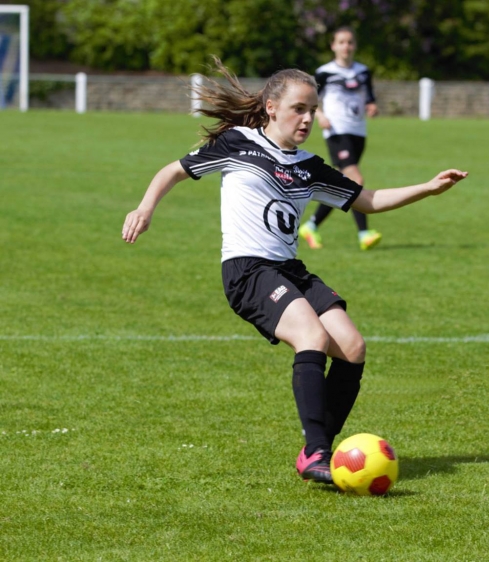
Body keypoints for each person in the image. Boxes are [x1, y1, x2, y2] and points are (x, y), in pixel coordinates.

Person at [121, 58, 467, 484]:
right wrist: (145, 208)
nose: (307, 119)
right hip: (248, 270)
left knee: (352, 347)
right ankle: (318, 450)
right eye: (298, 109)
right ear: (271, 108)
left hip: (291, 270)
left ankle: (315, 450)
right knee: (312, 337)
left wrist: (428, 188)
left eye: (313, 110)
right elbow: (173, 171)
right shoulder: (238, 143)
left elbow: (369, 200)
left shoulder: (310, 166)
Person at [299, 27, 384, 250]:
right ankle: (364, 233)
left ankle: (311, 225)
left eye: (350, 42)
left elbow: (370, 98)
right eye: (341, 42)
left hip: (358, 131)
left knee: (342, 184)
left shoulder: (363, 71)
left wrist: (372, 107)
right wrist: (319, 115)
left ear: (355, 45)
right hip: (336, 131)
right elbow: (309, 99)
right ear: (333, 46)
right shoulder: (324, 72)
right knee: (356, 180)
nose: (346, 46)